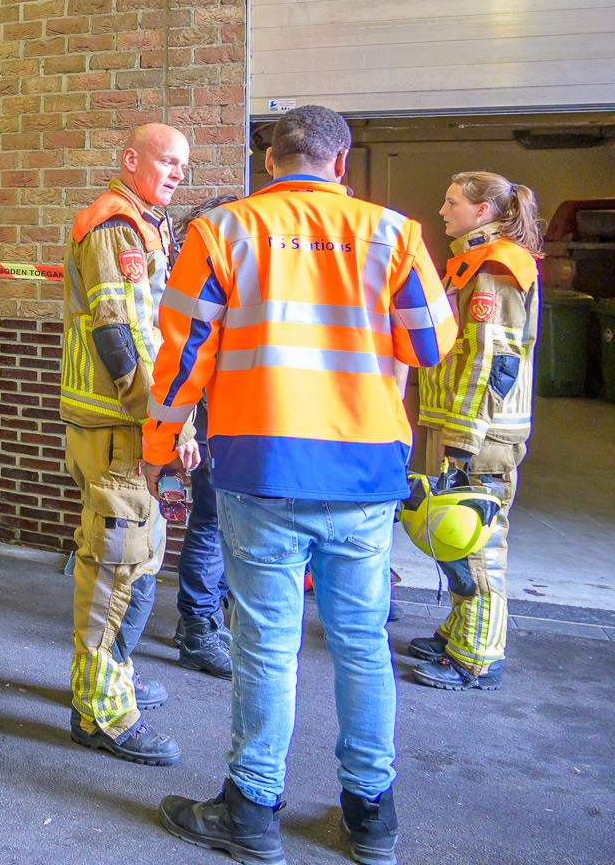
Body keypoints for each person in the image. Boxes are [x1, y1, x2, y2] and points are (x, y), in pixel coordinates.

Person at [141, 105, 455, 865]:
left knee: (266, 647)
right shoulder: (396, 234)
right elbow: (430, 341)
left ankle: (251, 809)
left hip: (264, 468)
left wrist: (159, 447)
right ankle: (370, 817)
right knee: (359, 647)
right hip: (365, 471)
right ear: (340, 165)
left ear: (272, 160)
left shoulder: (224, 232)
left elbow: (182, 358)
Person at [60, 122, 191, 765]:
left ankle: (111, 677)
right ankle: (101, 713)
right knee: (116, 567)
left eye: (183, 167)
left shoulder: (144, 224)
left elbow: (151, 332)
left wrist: (172, 421)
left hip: (130, 422)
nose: (176, 174)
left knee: (137, 558)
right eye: (167, 162)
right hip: (119, 424)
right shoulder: (116, 226)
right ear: (131, 159)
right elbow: (120, 334)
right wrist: (160, 422)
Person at [406, 172, 543, 691]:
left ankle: (478, 656)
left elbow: (493, 361)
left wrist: (464, 440)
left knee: (479, 544)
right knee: (455, 536)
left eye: (452, 202)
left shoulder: (497, 267)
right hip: (460, 432)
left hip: (482, 438)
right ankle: (461, 629)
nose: (443, 211)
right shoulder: (471, 262)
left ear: (483, 211)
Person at [168, 195, 241, 680]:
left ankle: (206, 617)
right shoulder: (197, 272)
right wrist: (183, 431)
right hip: (212, 418)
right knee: (212, 522)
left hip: (239, 416)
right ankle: (196, 626)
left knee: (226, 525)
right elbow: (180, 357)